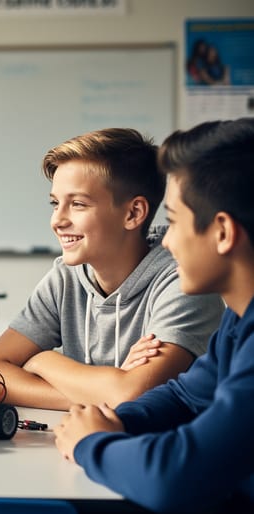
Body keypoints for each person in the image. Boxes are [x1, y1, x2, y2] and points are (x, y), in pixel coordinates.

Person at [54, 118, 254, 513]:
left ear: (222, 232)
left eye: (175, 221)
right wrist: (116, 422)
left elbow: (176, 476)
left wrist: (92, 443)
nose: (165, 240)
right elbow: (186, 396)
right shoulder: (238, 317)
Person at [0, 128, 224, 410]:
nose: (57, 220)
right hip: (77, 437)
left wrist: (43, 361)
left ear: (133, 213)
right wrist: (105, 390)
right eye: (55, 203)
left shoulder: (184, 281)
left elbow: (135, 395)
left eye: (77, 204)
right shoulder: (65, 277)